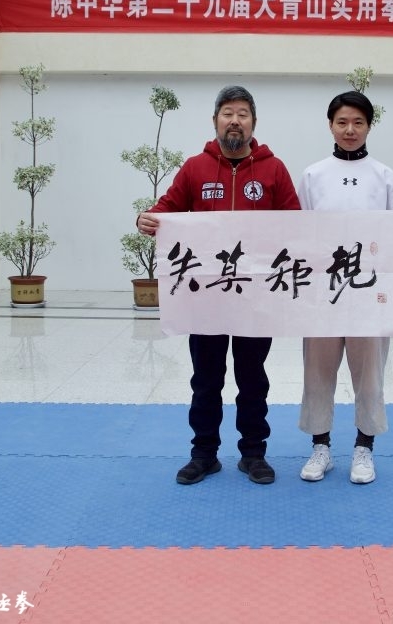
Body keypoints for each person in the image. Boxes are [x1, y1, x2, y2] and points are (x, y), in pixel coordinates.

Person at [137, 85, 301, 486]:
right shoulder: (195, 167)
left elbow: (295, 223)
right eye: (228, 113)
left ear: (254, 123)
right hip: (205, 299)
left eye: (243, 114)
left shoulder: (274, 169)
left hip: (255, 299)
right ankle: (204, 454)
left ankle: (253, 453)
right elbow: (167, 208)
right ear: (215, 121)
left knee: (253, 378)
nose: (235, 121)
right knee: (206, 379)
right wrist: (146, 218)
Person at [296, 91, 393, 484]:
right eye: (342, 122)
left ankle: (364, 448)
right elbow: (296, 229)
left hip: (370, 293)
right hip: (323, 293)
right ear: (330, 125)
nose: (350, 130)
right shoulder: (313, 175)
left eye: (358, 122)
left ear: (369, 126)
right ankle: (320, 447)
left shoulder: (384, 175)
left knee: (370, 373)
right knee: (317, 371)